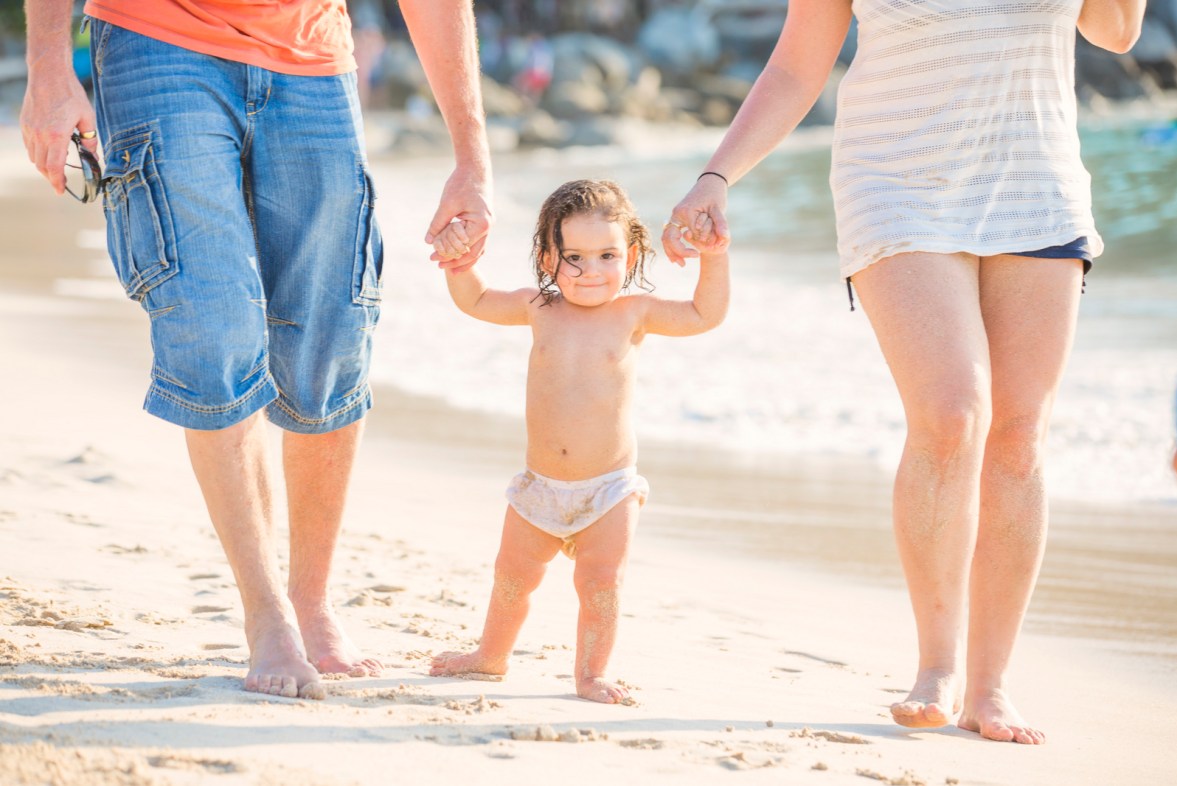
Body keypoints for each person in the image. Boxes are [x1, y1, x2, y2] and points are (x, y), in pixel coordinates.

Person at [664, 0, 1144, 744]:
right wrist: (717, 175)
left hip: (1035, 181)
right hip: (896, 181)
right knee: (953, 412)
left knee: (1017, 438)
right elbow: (797, 64)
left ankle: (991, 686)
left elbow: (1115, 31)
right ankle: (937, 667)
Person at [21, 0, 493, 700]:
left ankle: (313, 599)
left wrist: (471, 157)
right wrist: (49, 67)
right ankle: (267, 611)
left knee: (330, 336)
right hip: (157, 41)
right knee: (211, 325)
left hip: (313, 58)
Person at [429, 179, 729, 703]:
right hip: (538, 488)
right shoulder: (537, 309)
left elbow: (706, 315)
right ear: (548, 259)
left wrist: (714, 257)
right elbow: (475, 299)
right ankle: (490, 655)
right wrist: (459, 260)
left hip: (608, 490)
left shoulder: (635, 312)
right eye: (575, 258)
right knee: (511, 580)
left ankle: (592, 674)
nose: (592, 270)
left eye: (607, 255)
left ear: (631, 254)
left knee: (601, 587)